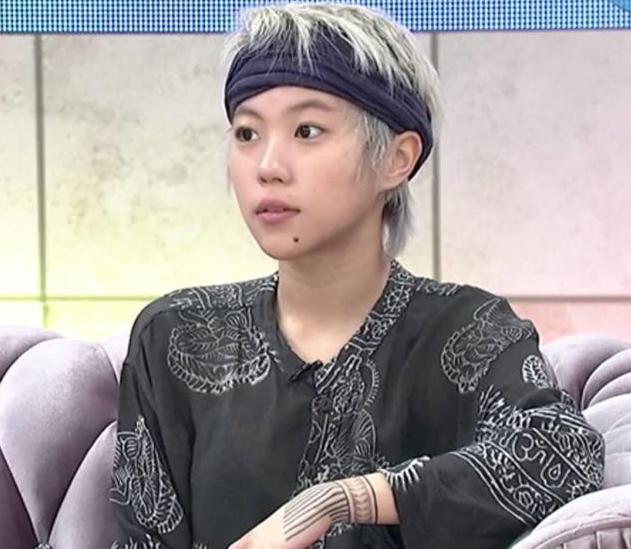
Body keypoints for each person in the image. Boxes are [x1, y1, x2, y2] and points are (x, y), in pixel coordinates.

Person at [110, 3, 604, 549]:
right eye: (247, 133)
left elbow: (563, 453)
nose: (267, 166)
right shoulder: (175, 334)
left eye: (306, 130)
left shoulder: (468, 328)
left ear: (396, 158)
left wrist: (341, 500)